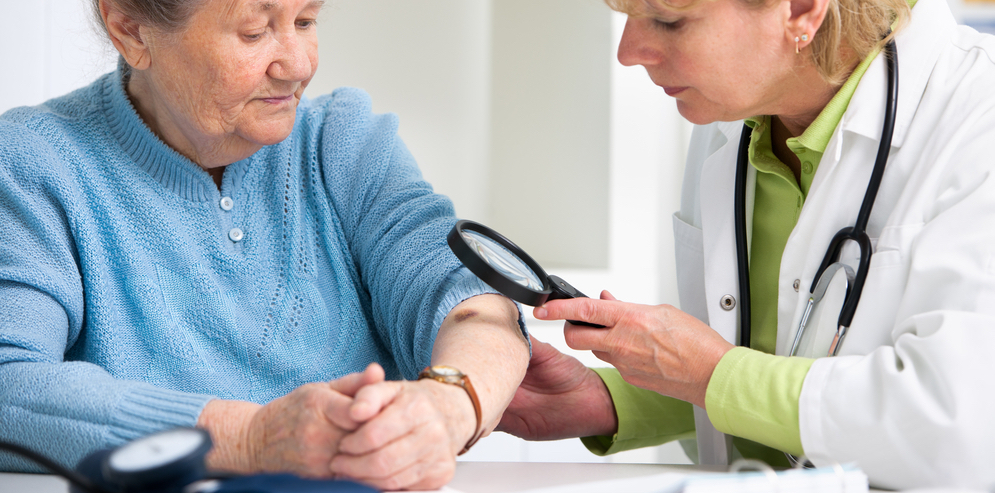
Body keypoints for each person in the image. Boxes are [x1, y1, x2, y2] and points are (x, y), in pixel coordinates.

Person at [0, 0, 530, 490]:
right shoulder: (32, 162)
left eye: (306, 20)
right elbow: (9, 383)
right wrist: (248, 437)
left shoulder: (343, 141)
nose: (298, 64)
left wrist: (446, 406)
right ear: (130, 29)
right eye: (255, 33)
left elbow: (472, 306)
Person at [497, 0, 995, 489]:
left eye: (668, 20)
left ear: (801, 9)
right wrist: (609, 401)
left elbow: (953, 428)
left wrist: (709, 373)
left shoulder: (977, 119)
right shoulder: (730, 117)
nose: (629, 51)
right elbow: (768, 358)